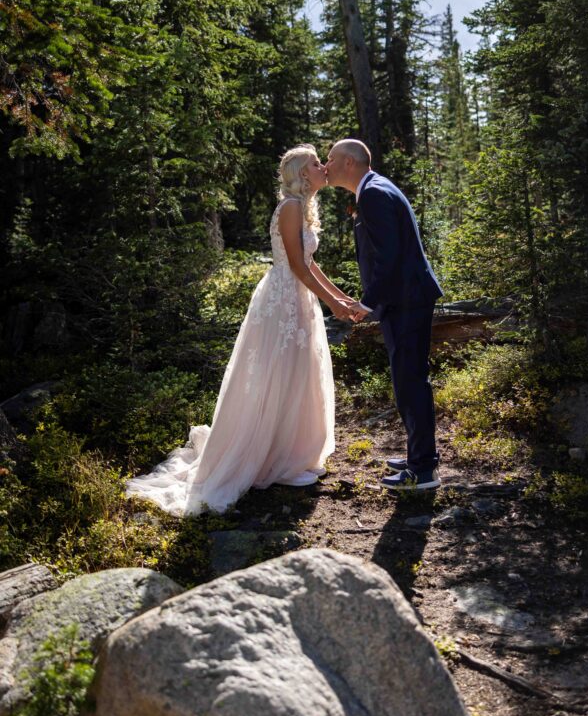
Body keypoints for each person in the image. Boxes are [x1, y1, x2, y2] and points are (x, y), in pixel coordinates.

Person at [126, 145, 354, 516]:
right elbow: (297, 267)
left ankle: (290, 451)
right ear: (300, 173)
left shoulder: (303, 209)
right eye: (315, 163)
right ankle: (267, 454)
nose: (323, 167)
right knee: (277, 373)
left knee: (298, 373)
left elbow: (311, 264)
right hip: (282, 300)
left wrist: (343, 297)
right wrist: (333, 304)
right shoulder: (291, 208)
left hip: (298, 299)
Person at [325, 139, 443, 491]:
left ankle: (422, 472)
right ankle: (419, 456)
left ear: (348, 162)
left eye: (330, 159)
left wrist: (366, 302)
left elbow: (388, 258)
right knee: (408, 381)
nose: (326, 166)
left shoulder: (374, 194)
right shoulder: (375, 189)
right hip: (404, 299)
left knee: (410, 383)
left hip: (405, 300)